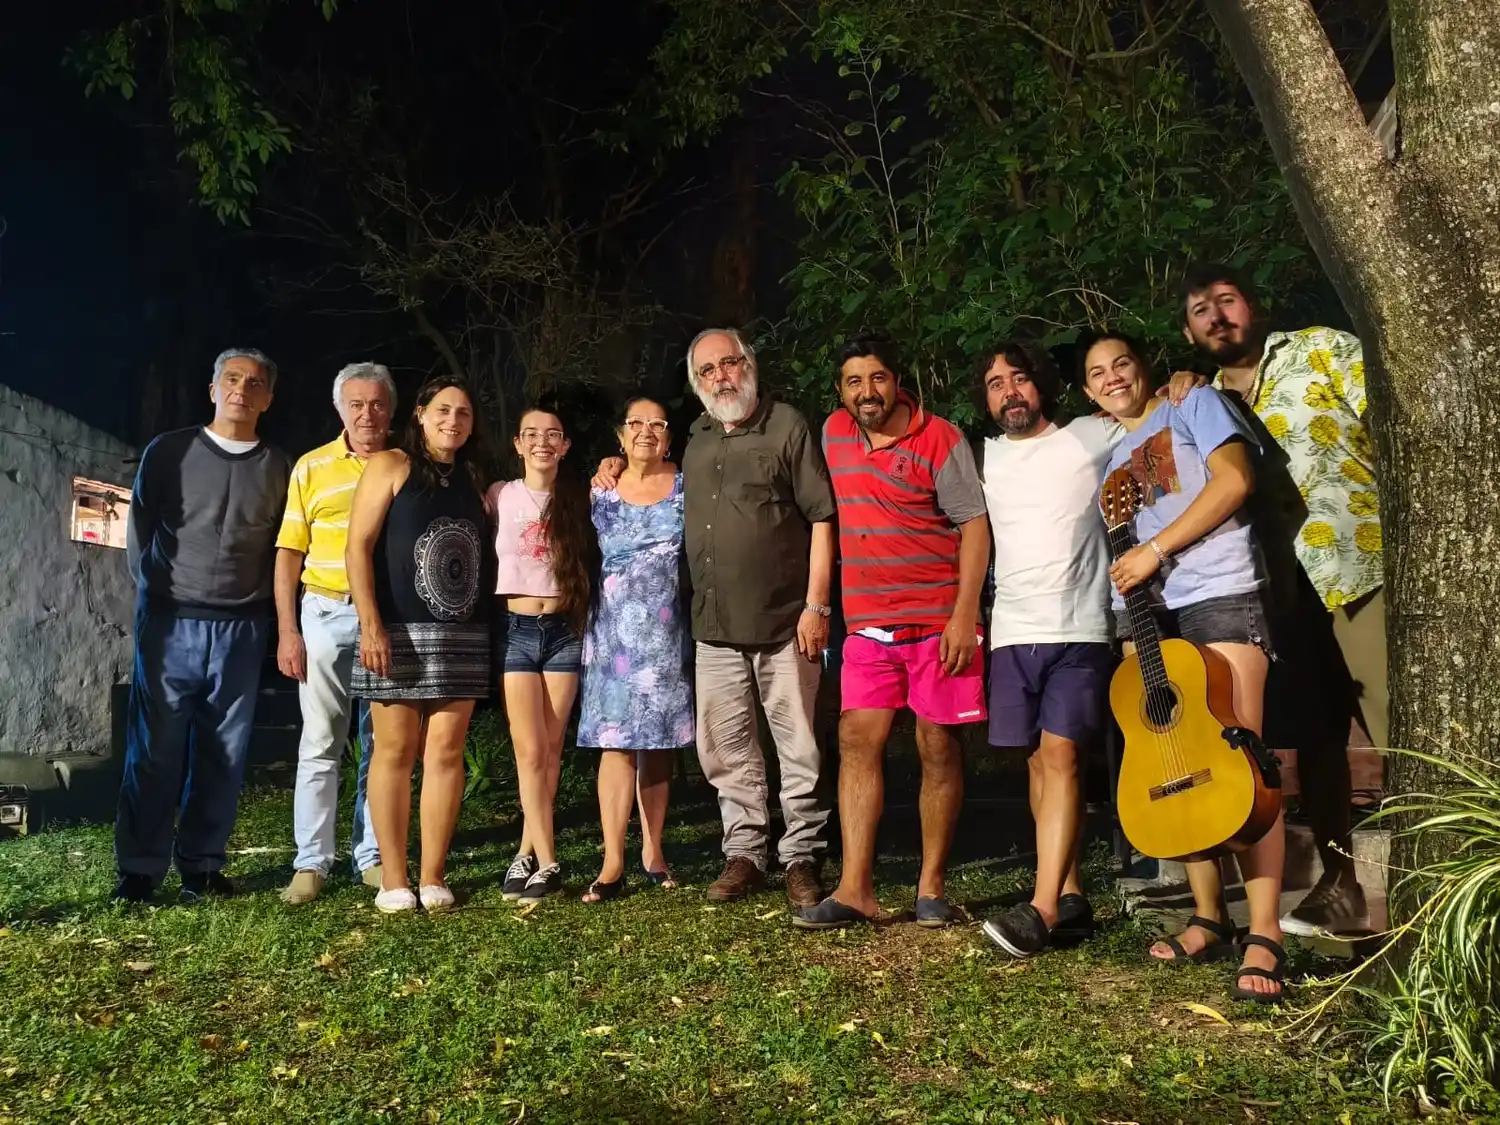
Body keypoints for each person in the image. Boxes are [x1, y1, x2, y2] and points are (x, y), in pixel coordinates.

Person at [594, 328, 837, 908]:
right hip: (714, 627)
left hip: (784, 622)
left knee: (798, 747)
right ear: (697, 383)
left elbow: (822, 518)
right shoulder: (699, 438)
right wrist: (614, 462)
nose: (721, 376)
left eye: (729, 363)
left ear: (749, 365)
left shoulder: (787, 425)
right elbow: (651, 478)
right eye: (707, 370)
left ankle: (801, 857)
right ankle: (745, 853)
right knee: (726, 750)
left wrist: (817, 606)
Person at [1080, 330, 1287, 1003]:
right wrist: (1127, 599)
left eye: (1121, 363)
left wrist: (1155, 551)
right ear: (1089, 393)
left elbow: (1235, 480)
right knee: (1170, 756)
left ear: (1144, 367)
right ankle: (1209, 916)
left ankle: (1266, 929)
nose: (1113, 377)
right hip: (1145, 610)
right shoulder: (1113, 461)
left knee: (1242, 760)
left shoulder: (1191, 403)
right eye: (1097, 373)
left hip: (1217, 591)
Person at [1178, 262, 1380, 938]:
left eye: (1227, 300)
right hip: (1280, 589)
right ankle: (1342, 886)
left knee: (1405, 730)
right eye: (1201, 310)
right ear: (1190, 333)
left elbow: (1397, 428)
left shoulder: (1321, 348)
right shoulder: (1201, 402)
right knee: (1319, 741)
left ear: (1254, 305)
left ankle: (1448, 889)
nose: (1217, 316)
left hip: (1359, 566)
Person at [793, 335, 990, 930]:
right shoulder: (834, 434)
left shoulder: (941, 438)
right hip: (867, 625)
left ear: (897, 382)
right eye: (854, 381)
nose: (867, 391)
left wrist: (965, 615)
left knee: (937, 745)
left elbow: (974, 526)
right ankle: (856, 889)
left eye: (877, 378)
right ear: (840, 391)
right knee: (857, 739)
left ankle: (931, 888)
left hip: (938, 621)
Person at [114, 348, 291, 903]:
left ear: (268, 398)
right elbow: (140, 527)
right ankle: (139, 870)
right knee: (155, 749)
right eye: (231, 378)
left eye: (255, 382)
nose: (242, 388)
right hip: (170, 623)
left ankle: (202, 865)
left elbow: (284, 548)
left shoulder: (281, 467)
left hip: (242, 628)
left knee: (223, 752)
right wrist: (155, 595)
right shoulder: (170, 451)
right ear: (213, 388)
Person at [971, 341, 1122, 957]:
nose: (1010, 391)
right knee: (1038, 764)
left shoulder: (1091, 435)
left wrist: (1179, 385)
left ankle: (1040, 909)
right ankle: (1071, 895)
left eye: (1020, 378)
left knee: (1062, 758)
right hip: (1012, 629)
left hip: (1079, 625)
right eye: (996, 383)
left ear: (1042, 384)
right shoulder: (983, 458)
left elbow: (1150, 418)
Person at [347, 377, 492, 914]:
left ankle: (432, 875)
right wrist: (370, 624)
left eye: (463, 413)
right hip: (397, 631)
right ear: (421, 413)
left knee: (446, 752)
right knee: (394, 752)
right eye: (443, 410)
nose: (453, 420)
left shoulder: (474, 478)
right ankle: (392, 878)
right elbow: (357, 546)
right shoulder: (391, 465)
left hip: (462, 633)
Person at [275, 362, 396, 905]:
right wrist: (287, 631)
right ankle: (311, 862)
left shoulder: (404, 464)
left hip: (388, 620)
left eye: (377, 404)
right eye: (356, 404)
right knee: (321, 739)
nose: (367, 414)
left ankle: (372, 855)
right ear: (339, 408)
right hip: (324, 611)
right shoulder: (312, 466)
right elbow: (289, 552)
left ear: (391, 410)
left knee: (382, 743)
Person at [576, 397, 694, 903]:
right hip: (612, 638)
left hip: (666, 636)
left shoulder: (687, 487)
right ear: (620, 436)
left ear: (668, 438)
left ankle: (653, 851)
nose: (646, 431)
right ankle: (612, 861)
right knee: (615, 743)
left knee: (659, 745)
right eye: (636, 423)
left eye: (657, 424)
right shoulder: (601, 489)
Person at [492, 407, 596, 903]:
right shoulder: (499, 494)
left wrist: (613, 465)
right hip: (517, 631)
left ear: (565, 446)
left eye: (553, 434)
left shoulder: (579, 497)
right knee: (529, 751)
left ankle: (525, 852)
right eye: (531, 434)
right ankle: (549, 861)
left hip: (563, 631)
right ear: (517, 443)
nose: (542, 442)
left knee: (551, 749)